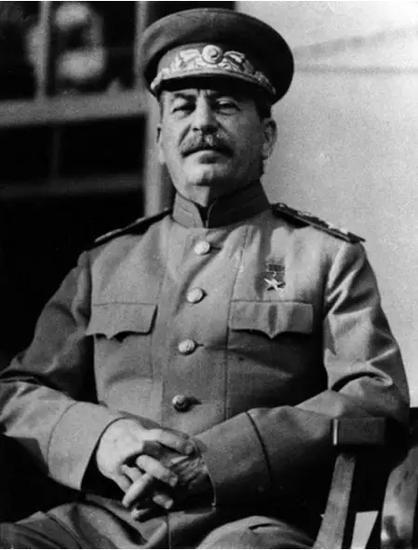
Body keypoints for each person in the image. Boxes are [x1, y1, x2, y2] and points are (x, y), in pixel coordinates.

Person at [0, 8, 409, 549]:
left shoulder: (325, 258)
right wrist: (102, 437)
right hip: (104, 525)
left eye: (225, 105)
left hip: (251, 523)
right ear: (160, 140)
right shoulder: (104, 264)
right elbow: (19, 391)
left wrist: (222, 459)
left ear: (266, 138)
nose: (202, 123)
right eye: (183, 106)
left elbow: (375, 396)